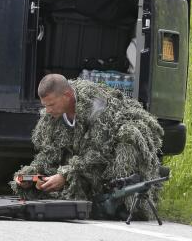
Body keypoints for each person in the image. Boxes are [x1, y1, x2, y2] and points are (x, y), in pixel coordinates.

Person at [12, 74, 164, 219]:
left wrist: (65, 176)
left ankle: (120, 204)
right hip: (81, 157)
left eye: (51, 104)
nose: (48, 110)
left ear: (67, 96)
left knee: (127, 139)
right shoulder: (51, 115)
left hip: (112, 148)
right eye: (45, 105)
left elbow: (99, 153)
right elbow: (49, 153)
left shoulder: (96, 105)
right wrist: (31, 174)